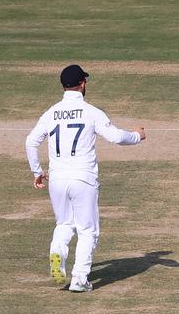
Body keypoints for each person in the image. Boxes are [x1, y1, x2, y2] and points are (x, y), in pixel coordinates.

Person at [24, 65, 146, 292]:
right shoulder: (91, 111)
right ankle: (80, 279)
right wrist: (138, 135)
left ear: (63, 86)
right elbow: (116, 137)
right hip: (83, 178)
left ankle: (57, 253)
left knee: (64, 223)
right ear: (82, 84)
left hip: (58, 179)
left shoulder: (51, 112)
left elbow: (31, 142)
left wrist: (37, 171)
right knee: (88, 230)